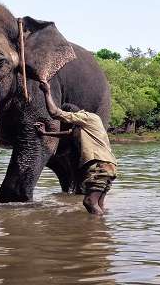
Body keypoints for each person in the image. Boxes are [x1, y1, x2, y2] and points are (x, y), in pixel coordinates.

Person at [35, 80, 117, 215]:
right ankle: (101, 232)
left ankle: (95, 232)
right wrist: (45, 133)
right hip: (109, 166)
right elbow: (67, 133)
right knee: (99, 204)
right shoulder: (86, 126)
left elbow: (55, 113)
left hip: (99, 165)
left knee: (89, 202)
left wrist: (47, 92)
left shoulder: (87, 117)